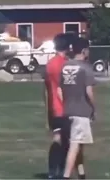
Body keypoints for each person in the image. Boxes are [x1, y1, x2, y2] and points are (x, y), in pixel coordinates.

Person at [57, 37, 95, 179]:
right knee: (74, 146)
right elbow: (89, 92)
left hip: (68, 111)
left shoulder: (65, 66)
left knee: (78, 144)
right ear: (84, 51)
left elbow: (59, 90)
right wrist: (93, 108)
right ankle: (66, 176)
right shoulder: (85, 68)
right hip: (81, 112)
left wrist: (66, 103)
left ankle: (81, 174)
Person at [42, 33, 71, 179]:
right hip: (63, 107)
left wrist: (47, 111)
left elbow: (46, 89)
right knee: (62, 140)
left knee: (60, 138)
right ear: (68, 47)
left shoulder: (50, 64)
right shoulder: (65, 64)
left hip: (53, 107)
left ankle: (54, 172)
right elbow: (64, 88)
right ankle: (57, 172)